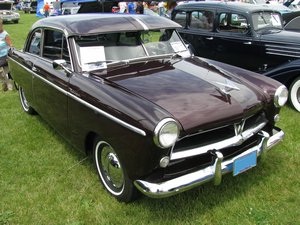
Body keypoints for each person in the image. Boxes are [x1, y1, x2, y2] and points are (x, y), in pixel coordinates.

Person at [0, 20, 13, 91]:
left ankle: (9, 86)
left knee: (7, 72)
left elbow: (10, 45)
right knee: (3, 74)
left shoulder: (5, 34)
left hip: (5, 56)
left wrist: (10, 55)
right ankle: (4, 82)